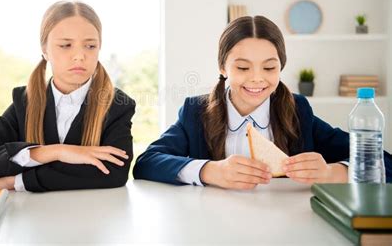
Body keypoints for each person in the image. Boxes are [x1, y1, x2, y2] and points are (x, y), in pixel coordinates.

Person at [133, 15, 392, 189]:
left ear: (281, 67)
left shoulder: (298, 111)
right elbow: (146, 163)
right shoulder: (196, 111)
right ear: (223, 67)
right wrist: (210, 171)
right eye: (243, 67)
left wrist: (332, 173)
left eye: (269, 68)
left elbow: (384, 162)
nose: (257, 79)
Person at [0, 1, 136, 192]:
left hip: (92, 217)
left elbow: (115, 173)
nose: (79, 56)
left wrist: (15, 181)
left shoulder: (117, 105)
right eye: (66, 45)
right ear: (45, 50)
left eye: (90, 46)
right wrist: (57, 152)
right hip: (34, 218)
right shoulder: (24, 101)